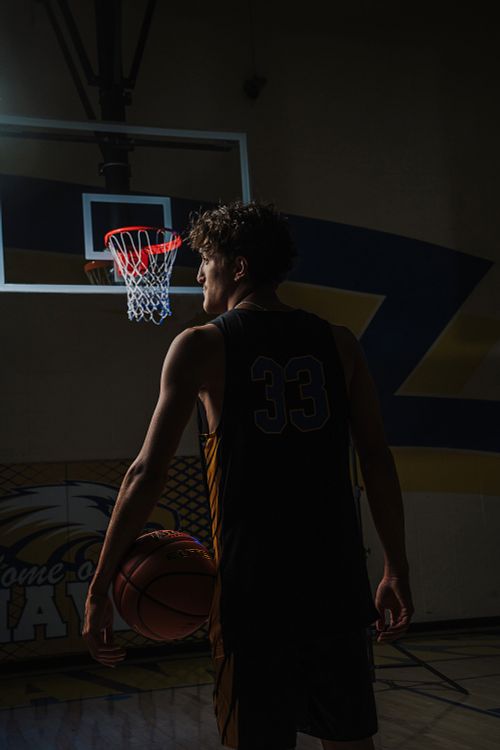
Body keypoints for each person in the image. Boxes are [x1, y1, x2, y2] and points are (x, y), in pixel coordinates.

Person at [83, 201, 414, 750]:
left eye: (206, 262)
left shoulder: (201, 344)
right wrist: (396, 566)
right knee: (351, 742)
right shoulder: (339, 342)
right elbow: (377, 459)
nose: (198, 274)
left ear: (237, 267)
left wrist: (99, 587)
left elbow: (146, 472)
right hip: (334, 583)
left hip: (252, 591)